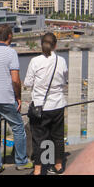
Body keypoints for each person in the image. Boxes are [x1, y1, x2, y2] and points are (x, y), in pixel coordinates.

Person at [0, 24, 33, 174]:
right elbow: (15, 80)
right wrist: (18, 97)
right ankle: (21, 161)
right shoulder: (11, 53)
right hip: (6, 98)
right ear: (9, 36)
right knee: (18, 129)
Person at [24, 32, 68, 175]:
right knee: (58, 137)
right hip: (58, 104)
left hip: (40, 106)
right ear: (55, 45)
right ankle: (58, 165)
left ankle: (38, 169)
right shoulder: (61, 61)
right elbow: (64, 79)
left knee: (39, 138)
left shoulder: (35, 61)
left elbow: (28, 82)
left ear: (41, 44)